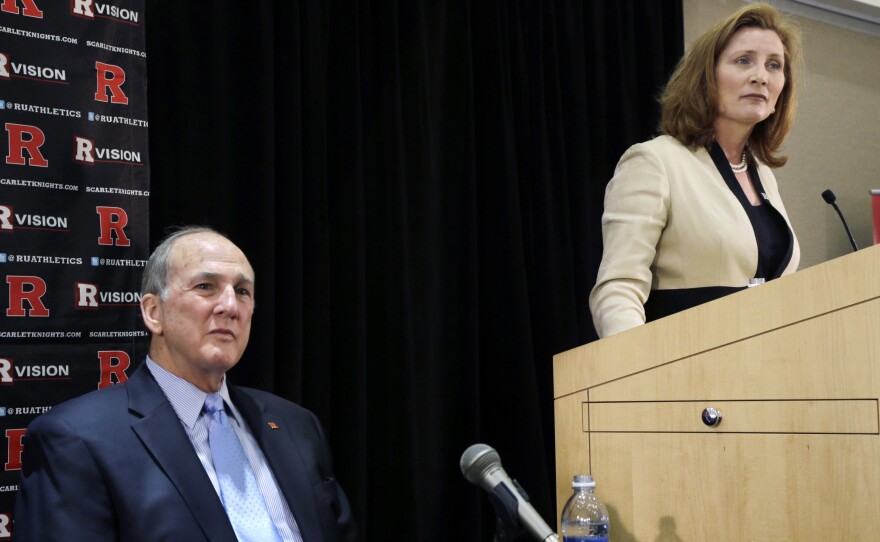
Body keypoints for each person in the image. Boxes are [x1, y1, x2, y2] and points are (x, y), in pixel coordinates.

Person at [15, 226, 359, 541]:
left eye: (242, 291)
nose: (229, 306)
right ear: (153, 312)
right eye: (205, 287)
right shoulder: (76, 439)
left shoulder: (296, 425)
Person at [589, 3, 801, 338]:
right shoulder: (655, 162)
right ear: (707, 76)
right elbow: (618, 291)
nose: (761, 75)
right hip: (682, 375)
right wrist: (640, 377)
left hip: (762, 372)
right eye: (744, 60)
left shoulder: (764, 177)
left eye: (774, 65)